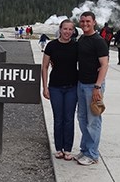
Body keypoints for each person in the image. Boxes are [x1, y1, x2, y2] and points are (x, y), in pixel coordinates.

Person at [41, 19, 79, 161]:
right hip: (55, 87)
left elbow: (86, 61)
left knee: (69, 118)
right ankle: (58, 148)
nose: (67, 32)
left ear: (73, 31)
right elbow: (44, 66)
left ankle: (68, 149)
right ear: (60, 29)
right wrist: (45, 87)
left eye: (70, 29)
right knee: (58, 119)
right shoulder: (51, 46)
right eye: (65, 29)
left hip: (72, 87)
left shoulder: (76, 46)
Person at [75, 11, 109, 166]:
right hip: (81, 83)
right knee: (82, 119)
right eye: (82, 21)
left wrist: (97, 86)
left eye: (88, 21)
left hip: (93, 86)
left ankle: (93, 154)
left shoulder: (98, 41)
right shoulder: (82, 39)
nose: (85, 24)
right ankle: (85, 149)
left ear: (94, 22)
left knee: (93, 120)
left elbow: (104, 65)